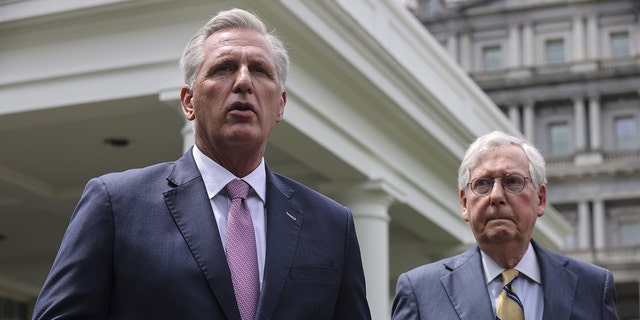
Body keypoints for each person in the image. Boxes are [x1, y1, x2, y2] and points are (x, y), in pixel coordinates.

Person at [33, 8, 371, 320]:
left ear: (280, 105)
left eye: (259, 70)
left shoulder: (331, 225)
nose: (242, 82)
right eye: (224, 68)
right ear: (189, 101)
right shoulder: (116, 205)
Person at [391, 131, 619, 320]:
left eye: (512, 182)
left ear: (540, 199)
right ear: (464, 203)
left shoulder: (593, 288)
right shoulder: (420, 292)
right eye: (482, 184)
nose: (496, 196)